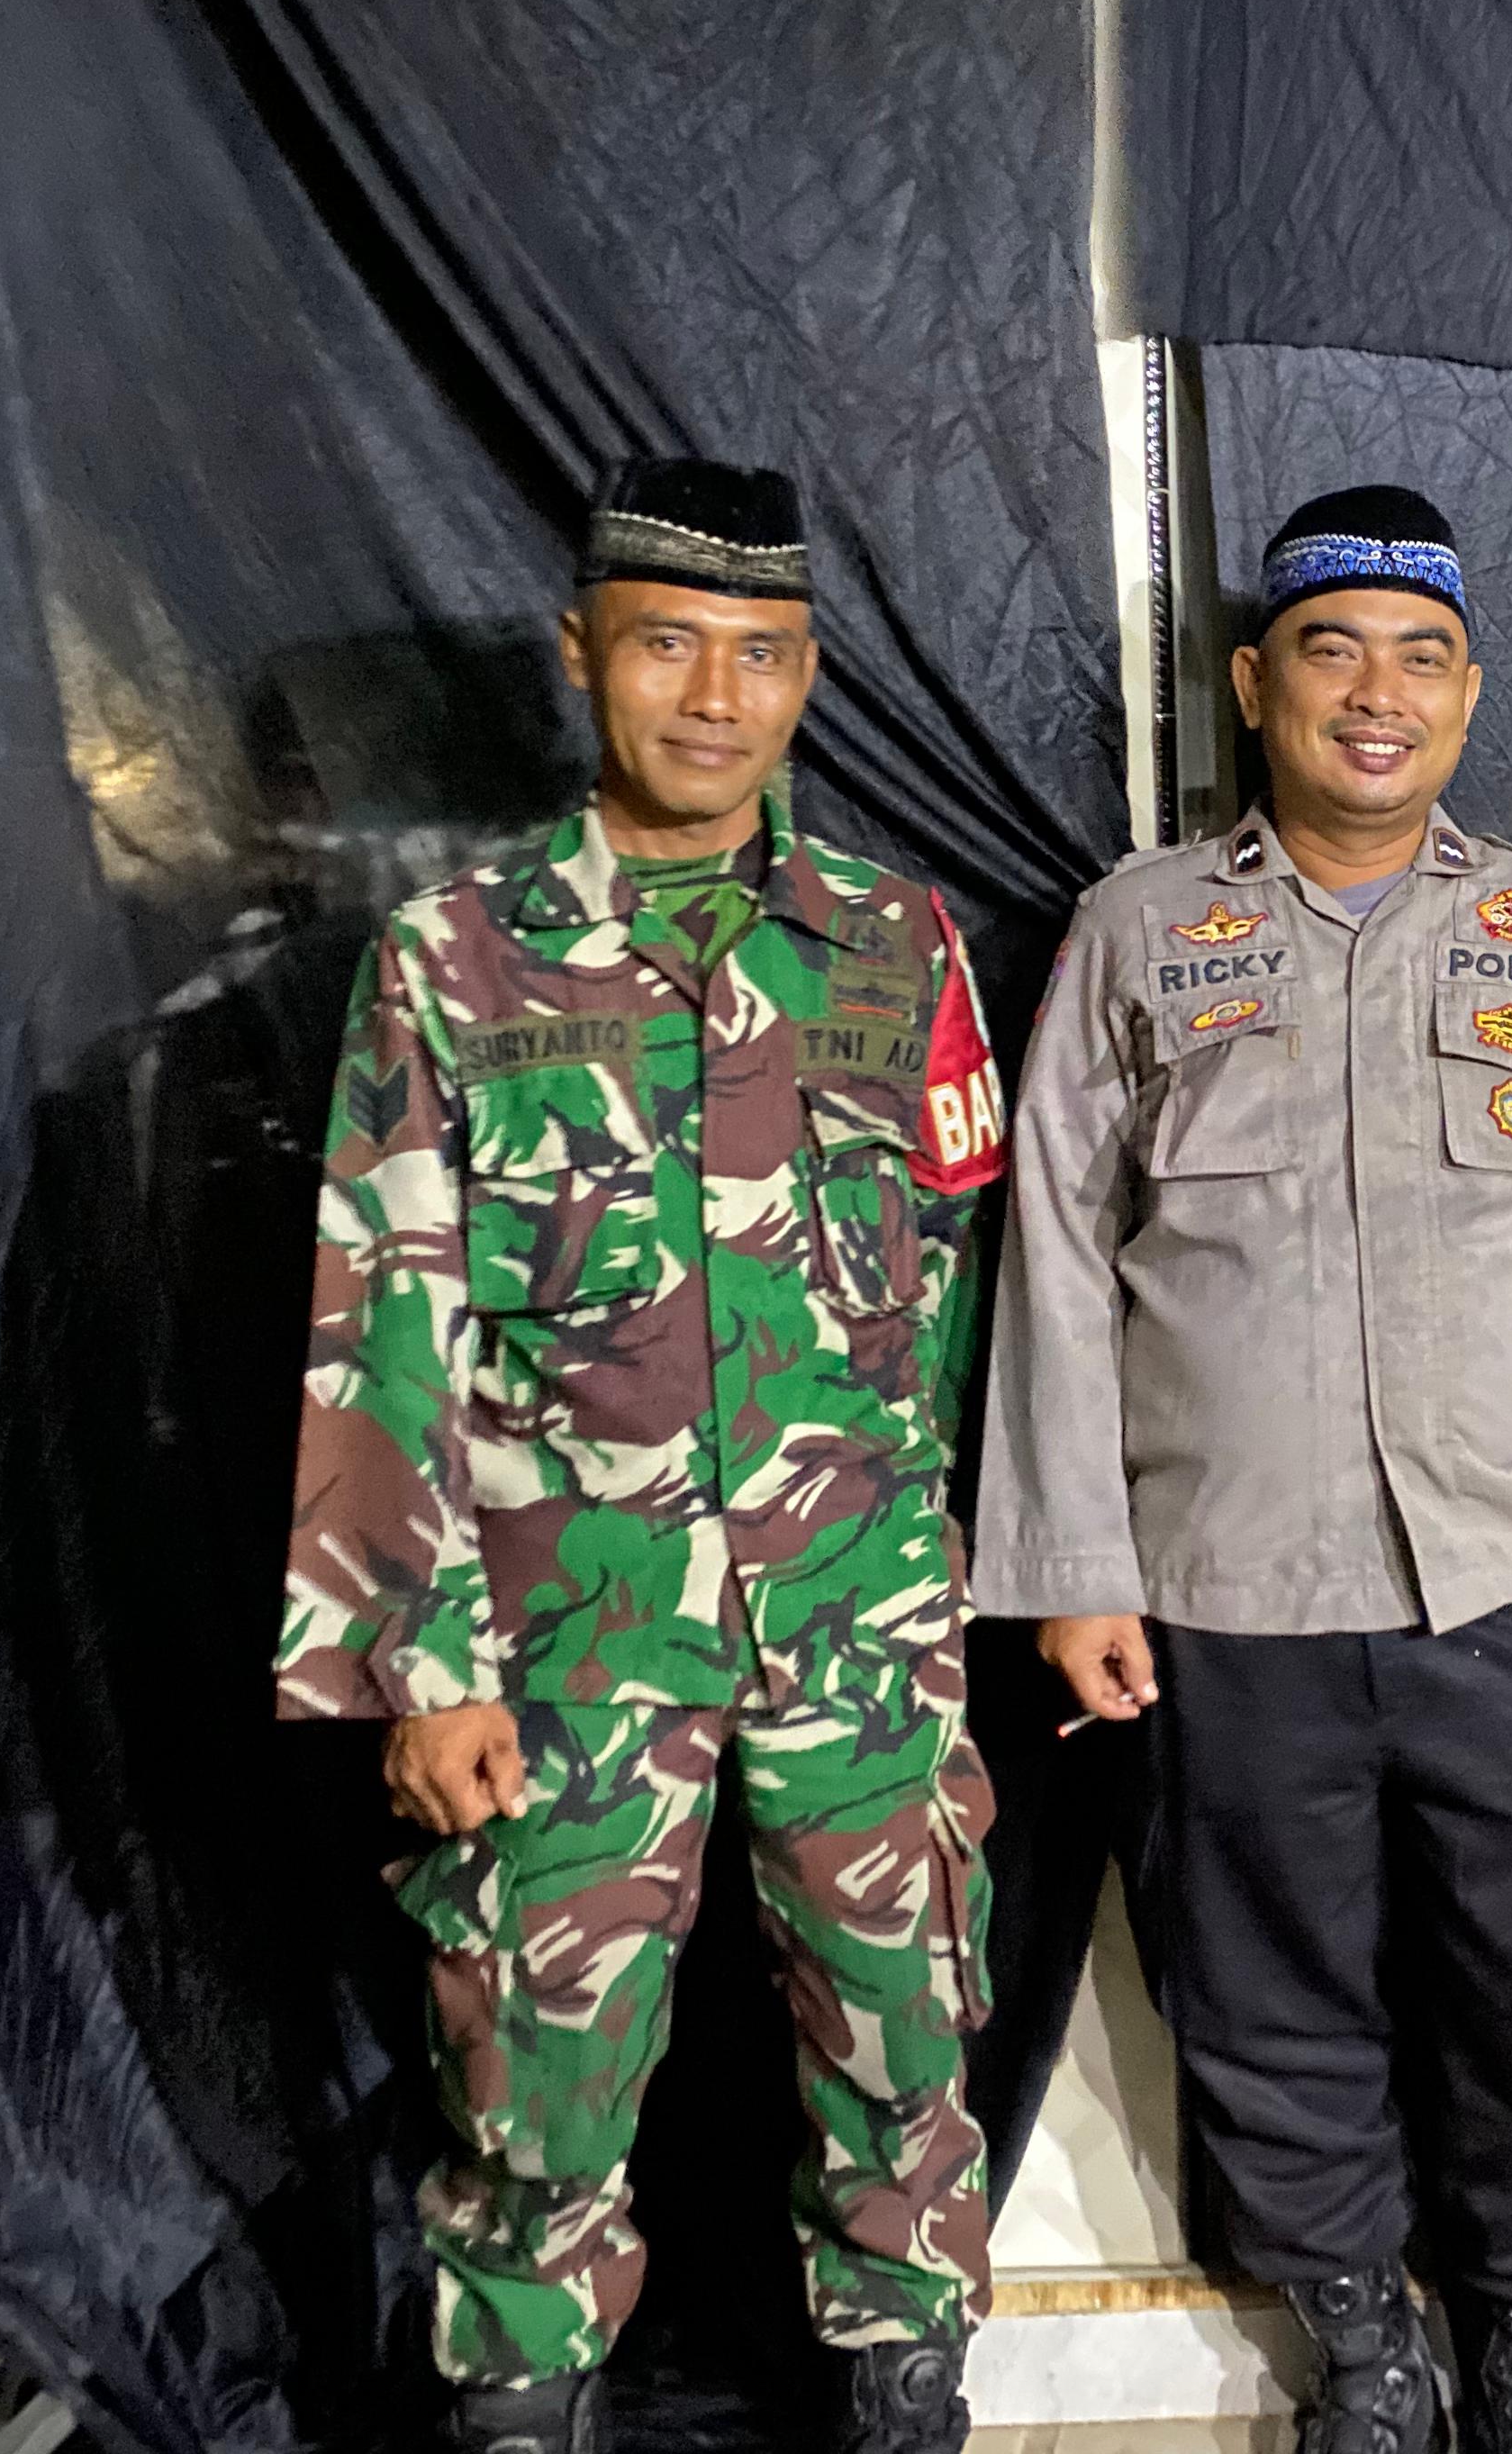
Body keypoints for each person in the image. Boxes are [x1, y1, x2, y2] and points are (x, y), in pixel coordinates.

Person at [278, 458, 1011, 2454]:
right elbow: (383, 1320)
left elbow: (954, 1290)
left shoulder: (895, 942)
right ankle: (523, 2400)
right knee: (538, 2071)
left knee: (903, 2045)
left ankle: (905, 2387)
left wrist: (943, 1598)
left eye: (761, 655)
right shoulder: (455, 957)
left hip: (859, 1616)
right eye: (668, 644)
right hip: (562, 1639)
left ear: (808, 676)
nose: (714, 696)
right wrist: (417, 1666)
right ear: (579, 653)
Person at [973, 488, 1512, 2454]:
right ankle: (1362, 2357)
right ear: (1254, 683)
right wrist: (1076, 1563)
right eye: (1332, 650)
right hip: (1227, 1594)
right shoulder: (1137, 935)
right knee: (1269, 1999)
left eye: (1420, 657)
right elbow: (1055, 1255)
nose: (1376, 695)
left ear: (1466, 692)